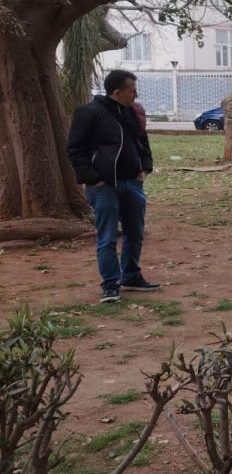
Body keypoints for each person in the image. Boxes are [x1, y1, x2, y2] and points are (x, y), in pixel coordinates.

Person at [67, 69, 158, 303]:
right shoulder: (89, 113)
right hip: (104, 187)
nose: (135, 95)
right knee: (107, 238)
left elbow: (143, 142)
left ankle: (131, 276)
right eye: (132, 91)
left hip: (133, 184)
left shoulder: (133, 112)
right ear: (117, 92)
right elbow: (75, 149)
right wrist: (93, 178)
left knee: (135, 233)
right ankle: (110, 285)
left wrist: (145, 168)